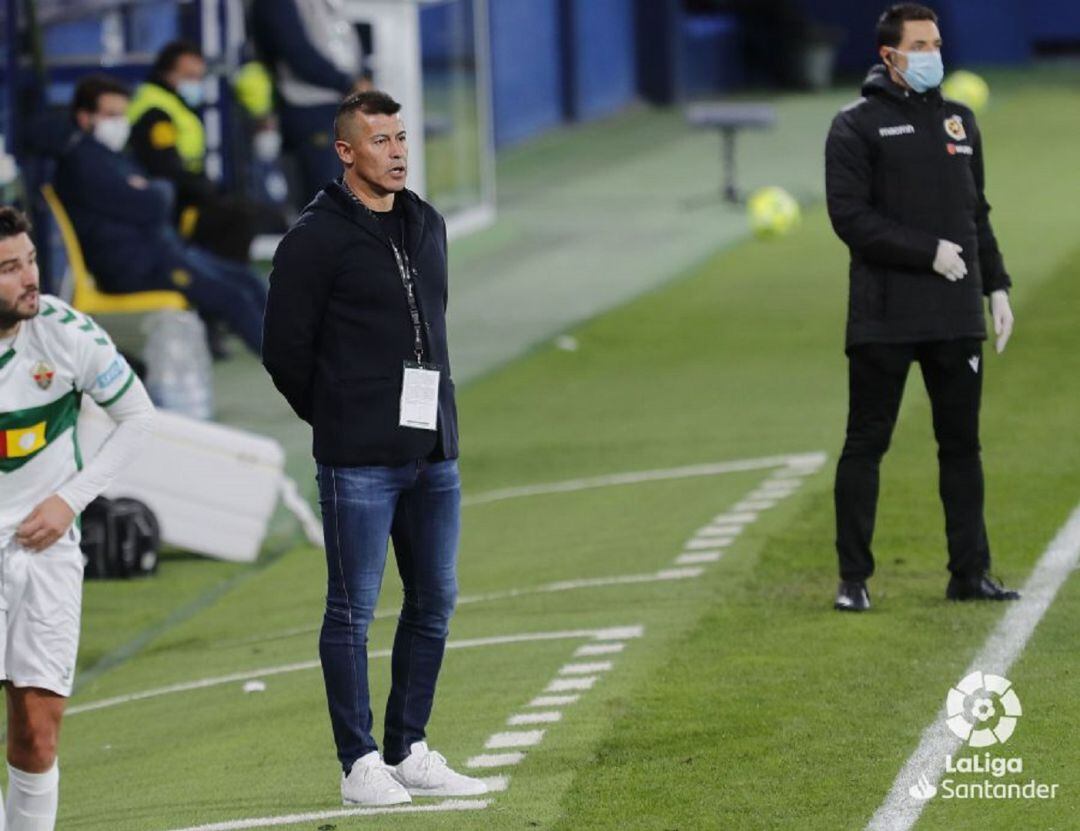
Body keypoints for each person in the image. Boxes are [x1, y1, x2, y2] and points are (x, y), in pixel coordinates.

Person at [262, 91, 485, 806]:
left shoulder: (427, 223)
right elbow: (284, 351)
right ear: (345, 151)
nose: (395, 151)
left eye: (400, 137)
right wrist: (337, 418)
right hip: (358, 459)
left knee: (434, 598)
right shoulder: (313, 238)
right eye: (379, 140)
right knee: (352, 610)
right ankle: (358, 760)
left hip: (433, 451)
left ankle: (409, 746)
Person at [825, 3, 1019, 612]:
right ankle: (852, 580)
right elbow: (850, 218)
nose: (934, 53)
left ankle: (970, 573)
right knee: (867, 443)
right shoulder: (854, 126)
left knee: (962, 446)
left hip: (956, 312)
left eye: (936, 42)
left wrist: (997, 286)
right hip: (884, 314)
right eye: (921, 45)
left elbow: (975, 212)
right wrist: (926, 251)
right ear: (890, 56)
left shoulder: (961, 122)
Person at [0, 206, 154, 829]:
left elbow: (139, 418)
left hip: (44, 551)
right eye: (10, 269)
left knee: (38, 727)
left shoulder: (65, 334)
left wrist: (71, 499)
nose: (30, 278)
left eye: (30, 261)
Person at [54, 75, 267, 355]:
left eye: (122, 114)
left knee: (249, 280)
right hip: (134, 265)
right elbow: (152, 205)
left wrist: (152, 192)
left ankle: (300, 351)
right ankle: (291, 371)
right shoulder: (84, 162)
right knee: (233, 298)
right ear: (84, 117)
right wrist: (153, 193)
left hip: (162, 252)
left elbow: (157, 196)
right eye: (110, 115)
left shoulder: (113, 156)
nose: (119, 123)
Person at [128, 40, 284, 265]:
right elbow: (165, 168)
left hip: (184, 197)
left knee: (260, 214)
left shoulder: (171, 104)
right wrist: (208, 191)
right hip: (173, 206)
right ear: (167, 74)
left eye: (199, 77)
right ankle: (228, 281)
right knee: (239, 218)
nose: (196, 83)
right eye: (189, 76)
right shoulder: (155, 112)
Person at [252, 0, 369, 203]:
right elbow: (296, 52)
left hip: (338, 105)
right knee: (324, 201)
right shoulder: (278, 5)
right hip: (309, 107)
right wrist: (347, 83)